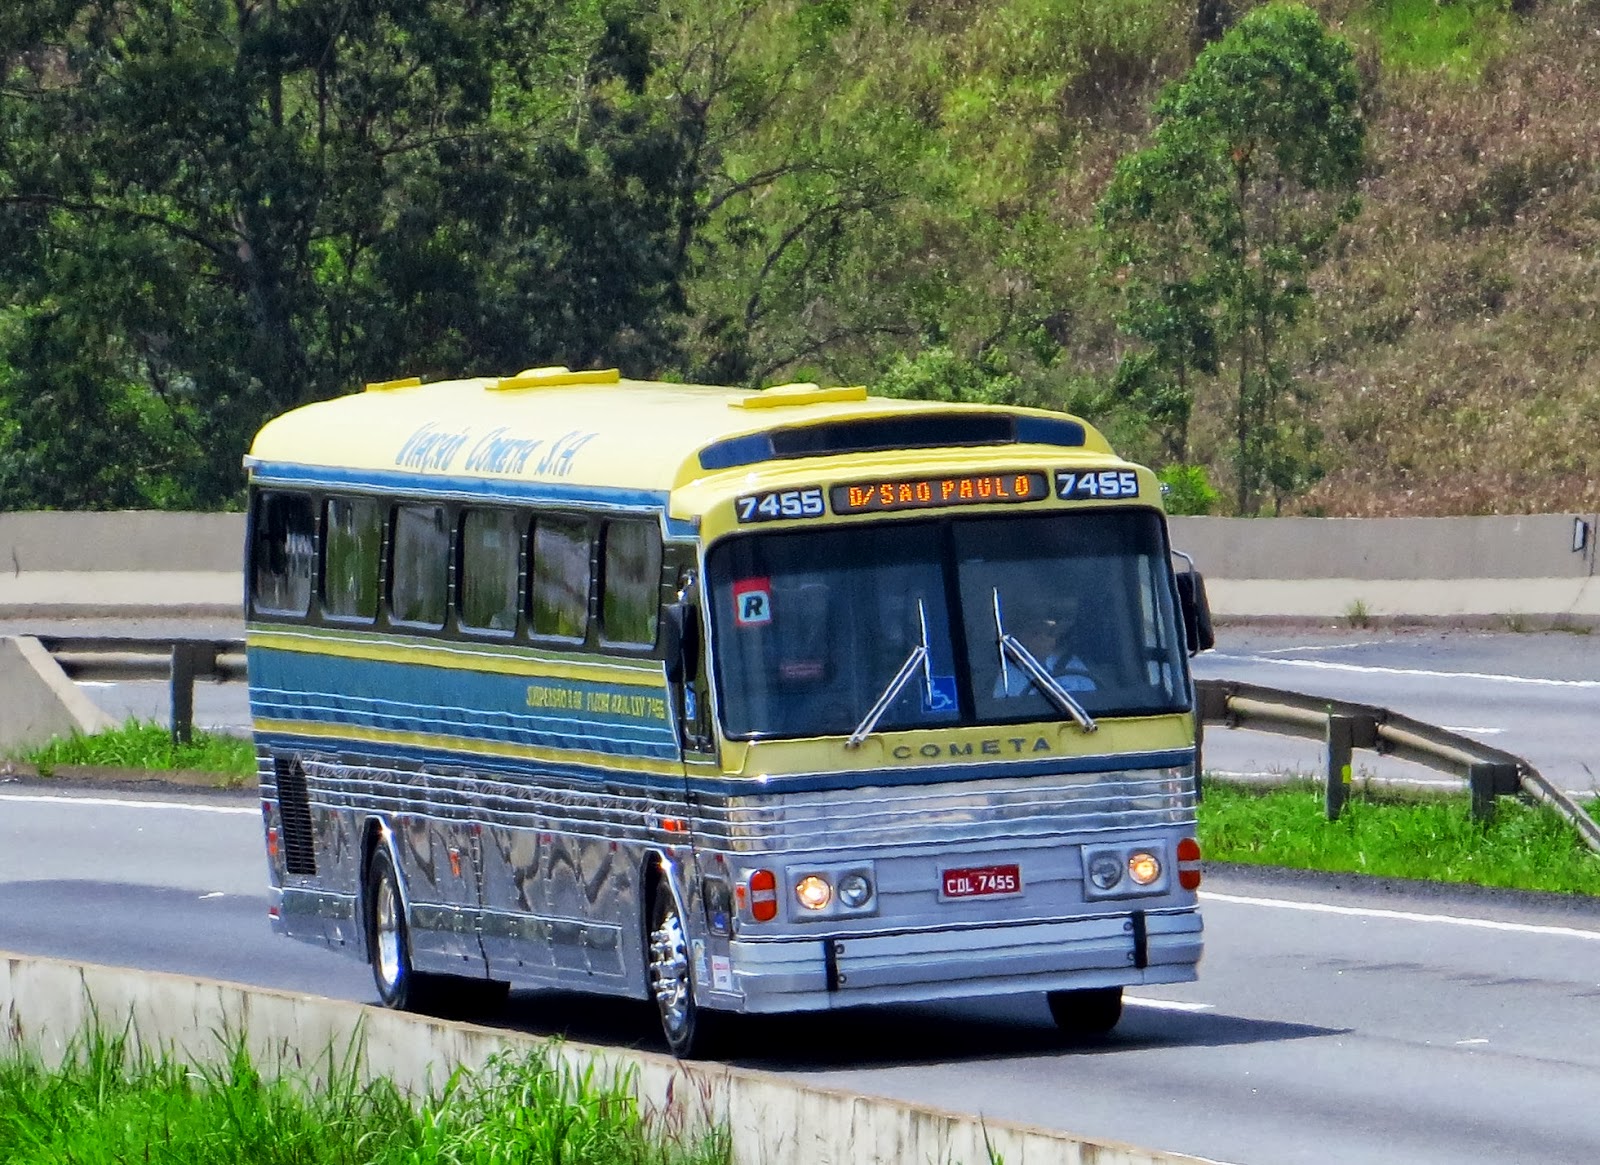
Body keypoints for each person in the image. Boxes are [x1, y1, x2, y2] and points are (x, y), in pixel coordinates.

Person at [994, 591, 1097, 697]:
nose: (1042, 638)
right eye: (1035, 633)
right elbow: (1005, 707)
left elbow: (1093, 702)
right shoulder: (1008, 676)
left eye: (1049, 633)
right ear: (1019, 638)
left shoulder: (1074, 667)